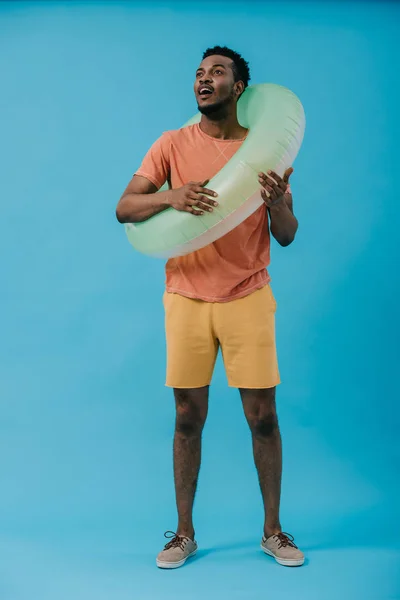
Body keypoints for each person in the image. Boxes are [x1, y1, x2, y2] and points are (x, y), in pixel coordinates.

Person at [116, 46, 305, 570]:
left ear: (239, 87)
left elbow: (286, 237)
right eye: (199, 73)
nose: (204, 79)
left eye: (217, 72)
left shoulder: (264, 151)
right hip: (186, 297)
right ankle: (183, 534)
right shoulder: (172, 144)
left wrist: (277, 203)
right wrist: (170, 198)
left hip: (247, 293)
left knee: (263, 416)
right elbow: (124, 207)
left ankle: (273, 531)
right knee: (186, 417)